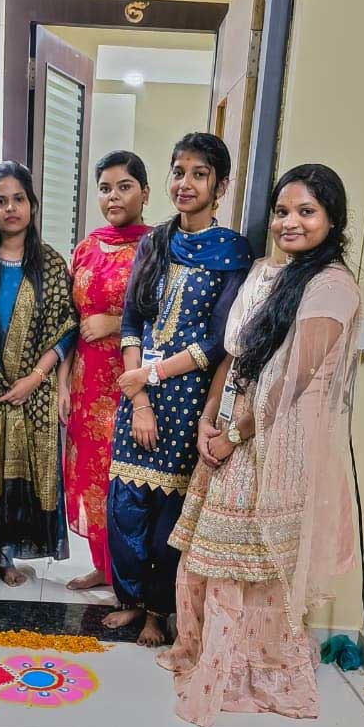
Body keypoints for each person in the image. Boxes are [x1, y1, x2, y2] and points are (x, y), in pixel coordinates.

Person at [159, 164, 361, 724]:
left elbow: (291, 383)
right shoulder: (268, 273)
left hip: (276, 444)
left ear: (332, 219)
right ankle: (208, 654)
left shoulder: (331, 286)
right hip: (232, 430)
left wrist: (233, 436)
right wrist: (209, 420)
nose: (290, 222)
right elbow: (235, 356)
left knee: (245, 564)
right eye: (282, 211)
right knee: (212, 555)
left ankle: (245, 669)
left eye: (306, 212)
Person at [104, 133, 252, 647]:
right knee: (125, 505)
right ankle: (129, 599)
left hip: (188, 398)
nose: (185, 184)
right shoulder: (155, 242)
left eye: (199, 174)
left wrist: (153, 375)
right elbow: (132, 321)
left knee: (170, 513)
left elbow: (219, 340)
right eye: (178, 172)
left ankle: (157, 611)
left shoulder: (232, 251)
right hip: (139, 396)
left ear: (220, 186)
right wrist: (139, 397)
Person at [0, 162, 78, 586]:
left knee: (20, 475)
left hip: (34, 391)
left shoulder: (51, 264)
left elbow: (67, 326)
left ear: (32, 205)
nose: (10, 208)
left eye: (18, 199)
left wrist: (37, 378)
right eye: (0, 200)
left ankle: (8, 555)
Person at [62, 151, 152, 592]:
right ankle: (103, 565)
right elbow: (68, 322)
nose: (113, 196)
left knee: (125, 481)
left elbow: (167, 317)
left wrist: (115, 323)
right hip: (85, 383)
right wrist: (62, 384)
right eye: (105, 188)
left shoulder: (156, 248)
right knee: (92, 480)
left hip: (131, 385)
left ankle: (129, 576)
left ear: (145, 193)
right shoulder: (86, 248)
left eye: (124, 186)